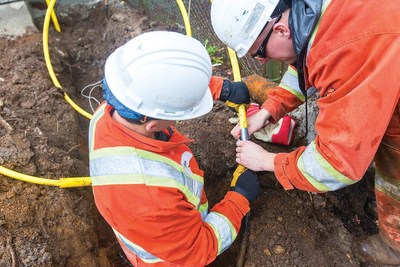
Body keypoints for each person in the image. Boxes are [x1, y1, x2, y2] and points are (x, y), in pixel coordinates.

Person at [211, 0, 400, 265]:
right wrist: (270, 110)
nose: (263, 61)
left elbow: (337, 164)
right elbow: (306, 64)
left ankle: (394, 248)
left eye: (260, 52)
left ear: (280, 31)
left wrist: (268, 161)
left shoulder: (346, 51)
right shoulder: (312, 15)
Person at [88, 31, 259, 267]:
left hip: (156, 228)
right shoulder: (152, 199)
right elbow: (199, 248)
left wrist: (221, 89)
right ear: (153, 124)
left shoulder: (110, 112)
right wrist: (239, 198)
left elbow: (163, 84)